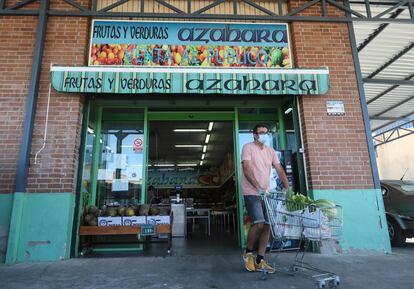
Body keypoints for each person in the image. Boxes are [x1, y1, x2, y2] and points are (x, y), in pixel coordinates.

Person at [241, 124, 289, 273]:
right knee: (259, 223)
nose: (264, 135)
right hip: (252, 192)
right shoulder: (248, 147)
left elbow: (279, 169)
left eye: (266, 133)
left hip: (267, 193)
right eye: (261, 133)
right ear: (254, 135)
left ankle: (260, 259)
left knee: (268, 225)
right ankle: (248, 253)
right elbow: (247, 168)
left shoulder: (270, 151)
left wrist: (287, 187)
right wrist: (258, 187)